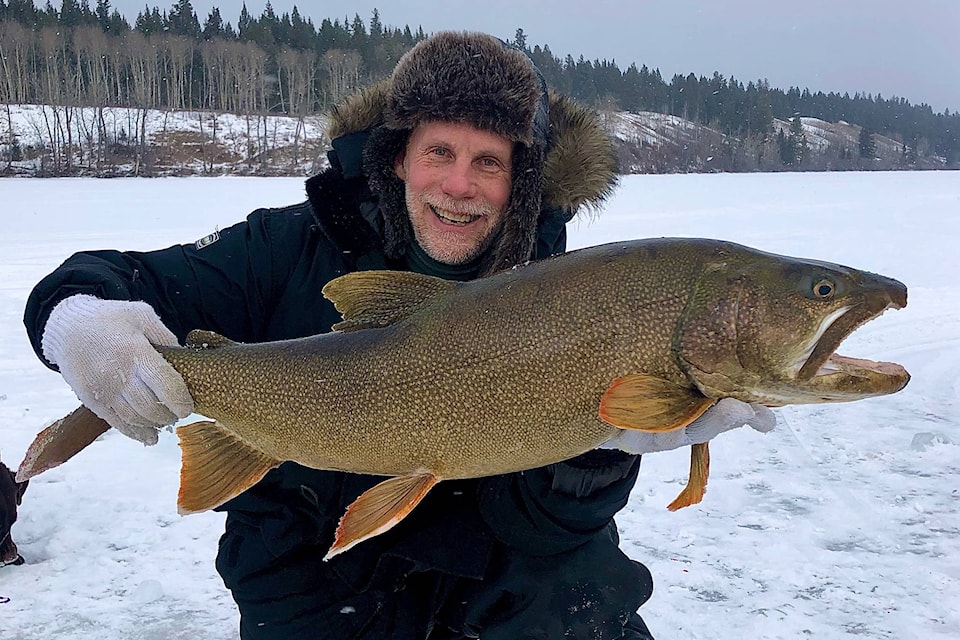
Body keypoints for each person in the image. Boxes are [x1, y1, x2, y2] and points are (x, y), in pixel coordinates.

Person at [24, 32, 772, 639]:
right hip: (315, 578)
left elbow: (548, 529)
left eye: (489, 162)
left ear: (522, 183)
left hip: (521, 586)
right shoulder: (283, 249)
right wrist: (80, 322)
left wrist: (595, 450)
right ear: (398, 159)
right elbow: (107, 277)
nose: (458, 185)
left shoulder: (571, 293)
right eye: (439, 153)